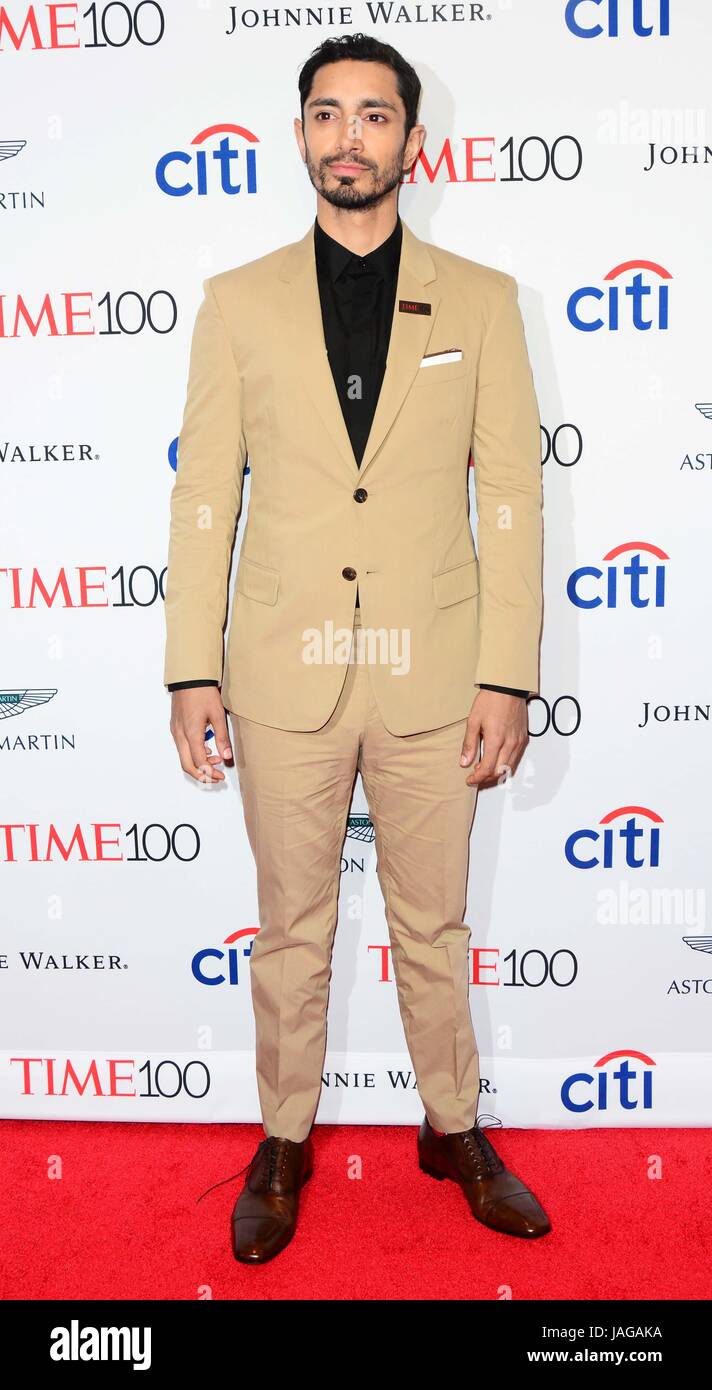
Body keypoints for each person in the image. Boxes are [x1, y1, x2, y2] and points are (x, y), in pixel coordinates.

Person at [164, 32, 550, 1264]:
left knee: (432, 921)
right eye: (326, 115)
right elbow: (204, 501)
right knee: (292, 927)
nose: (349, 137)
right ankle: (283, 1138)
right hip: (283, 667)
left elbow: (514, 498)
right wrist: (191, 663)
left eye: (373, 116)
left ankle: (452, 1127)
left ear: (409, 141)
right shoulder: (235, 303)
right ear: (298, 138)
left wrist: (508, 670)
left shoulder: (483, 301)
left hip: (437, 671)